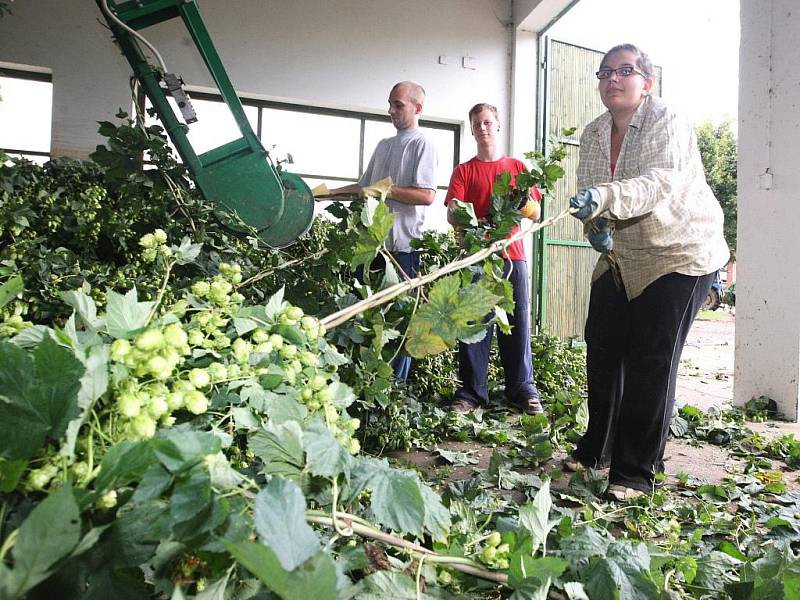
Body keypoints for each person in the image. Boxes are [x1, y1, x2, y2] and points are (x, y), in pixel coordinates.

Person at [565, 44, 729, 501]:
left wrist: (604, 199)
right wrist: (595, 223)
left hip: (681, 251)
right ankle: (598, 447)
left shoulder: (665, 119)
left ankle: (635, 472)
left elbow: (659, 182)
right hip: (625, 254)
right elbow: (589, 188)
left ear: (647, 82)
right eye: (605, 72)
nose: (613, 79)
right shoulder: (595, 131)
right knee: (602, 348)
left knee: (650, 361)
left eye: (625, 71)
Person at [329, 81, 437, 380]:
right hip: (373, 247)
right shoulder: (384, 146)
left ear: (418, 108)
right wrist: (325, 193)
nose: (391, 110)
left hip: (402, 250)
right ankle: (365, 382)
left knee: (398, 325)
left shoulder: (421, 144)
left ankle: (394, 390)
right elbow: (364, 188)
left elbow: (427, 195)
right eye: (390, 104)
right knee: (366, 321)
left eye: (398, 105)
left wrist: (385, 190)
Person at [444, 103, 544, 415]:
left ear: (497, 125)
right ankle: (472, 394)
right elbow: (451, 213)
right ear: (472, 129)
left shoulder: (517, 168)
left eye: (488, 122)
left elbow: (536, 213)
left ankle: (522, 390)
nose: (483, 128)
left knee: (517, 322)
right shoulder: (464, 171)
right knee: (474, 323)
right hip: (476, 258)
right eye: (477, 124)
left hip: (513, 257)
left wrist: (521, 203)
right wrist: (472, 218)